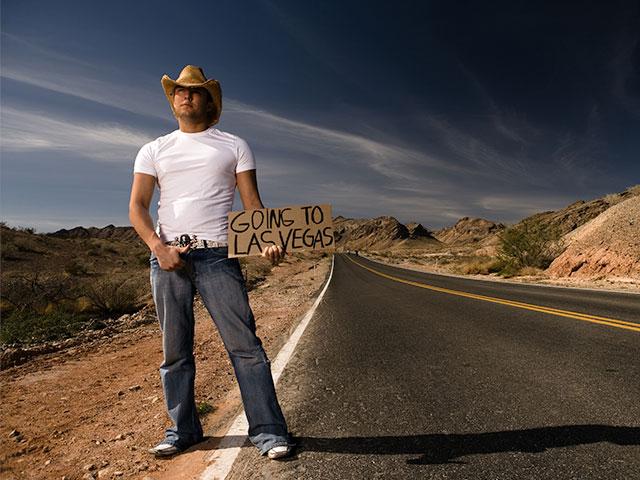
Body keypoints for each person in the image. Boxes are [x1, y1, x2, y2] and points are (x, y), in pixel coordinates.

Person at [128, 65, 294, 460]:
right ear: (173, 100)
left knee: (245, 347)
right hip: (169, 258)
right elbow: (137, 207)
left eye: (195, 91)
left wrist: (266, 240)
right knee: (175, 352)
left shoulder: (234, 145)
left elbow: (252, 204)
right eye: (179, 90)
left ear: (209, 102)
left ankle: (269, 432)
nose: (185, 95)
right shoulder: (153, 149)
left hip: (219, 254)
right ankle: (182, 431)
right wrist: (158, 248)